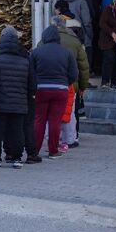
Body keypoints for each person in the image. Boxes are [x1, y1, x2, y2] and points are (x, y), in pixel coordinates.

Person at [0, 26, 36, 169]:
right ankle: (17, 158)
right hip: (19, 103)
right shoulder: (25, 60)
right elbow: (32, 84)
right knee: (18, 131)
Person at [31, 26, 78, 159]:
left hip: (41, 89)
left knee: (39, 120)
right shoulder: (67, 52)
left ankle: (34, 151)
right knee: (55, 121)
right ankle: (53, 150)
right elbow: (74, 74)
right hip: (60, 90)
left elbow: (31, 72)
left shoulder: (36, 52)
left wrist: (35, 85)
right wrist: (64, 83)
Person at [50, 16, 89, 152]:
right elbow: (83, 66)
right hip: (70, 84)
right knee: (69, 113)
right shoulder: (74, 41)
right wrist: (83, 86)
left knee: (51, 113)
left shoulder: (44, 41)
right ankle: (70, 139)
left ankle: (53, 139)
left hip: (48, 83)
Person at [60, 0, 93, 65]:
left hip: (65, 32)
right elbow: (86, 21)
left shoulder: (61, 1)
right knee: (84, 54)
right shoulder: (82, 2)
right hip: (80, 33)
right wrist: (90, 35)